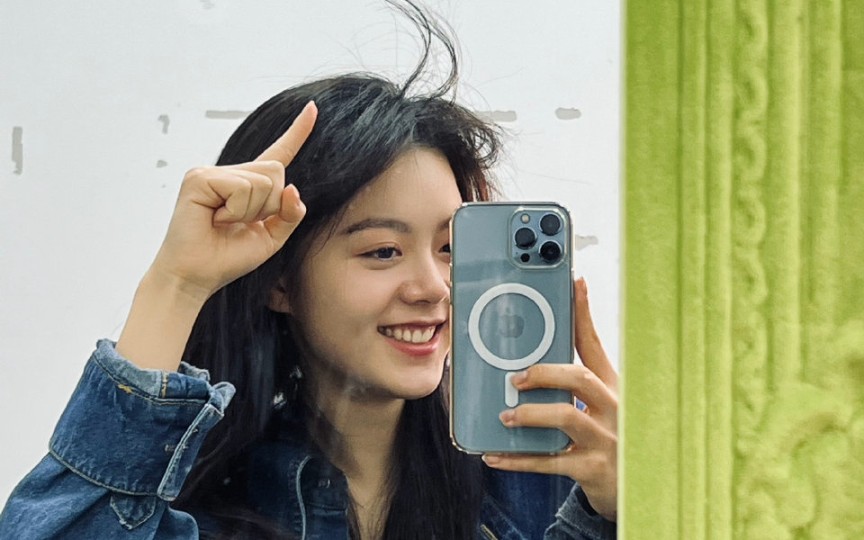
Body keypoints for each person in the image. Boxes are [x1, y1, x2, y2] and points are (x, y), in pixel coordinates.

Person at [0, 3, 617, 538]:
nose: (433, 288)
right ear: (279, 281)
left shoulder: (544, 479)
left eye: (451, 249)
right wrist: (176, 284)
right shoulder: (197, 505)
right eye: (383, 251)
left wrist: (627, 509)